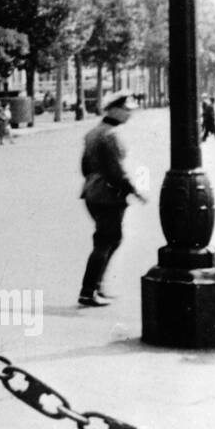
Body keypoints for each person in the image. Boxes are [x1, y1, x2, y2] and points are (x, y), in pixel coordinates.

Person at [77, 90, 146, 307]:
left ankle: (96, 286)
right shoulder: (112, 135)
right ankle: (89, 291)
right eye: (126, 111)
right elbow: (117, 171)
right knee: (106, 241)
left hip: (92, 191)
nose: (129, 115)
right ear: (115, 110)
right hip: (108, 195)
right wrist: (135, 190)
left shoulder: (93, 132)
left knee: (109, 239)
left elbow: (85, 166)